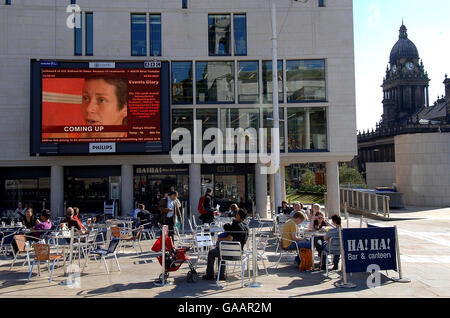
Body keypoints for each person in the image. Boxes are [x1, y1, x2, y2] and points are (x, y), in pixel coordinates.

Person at [203, 209, 249, 281]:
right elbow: (245, 241)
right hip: (239, 253)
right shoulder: (246, 227)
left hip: (229, 253)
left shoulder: (235, 226)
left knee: (212, 252)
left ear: (238, 216)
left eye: (236, 214)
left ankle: (210, 275)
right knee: (221, 251)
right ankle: (221, 275)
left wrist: (220, 240)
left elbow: (230, 238)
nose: (235, 216)